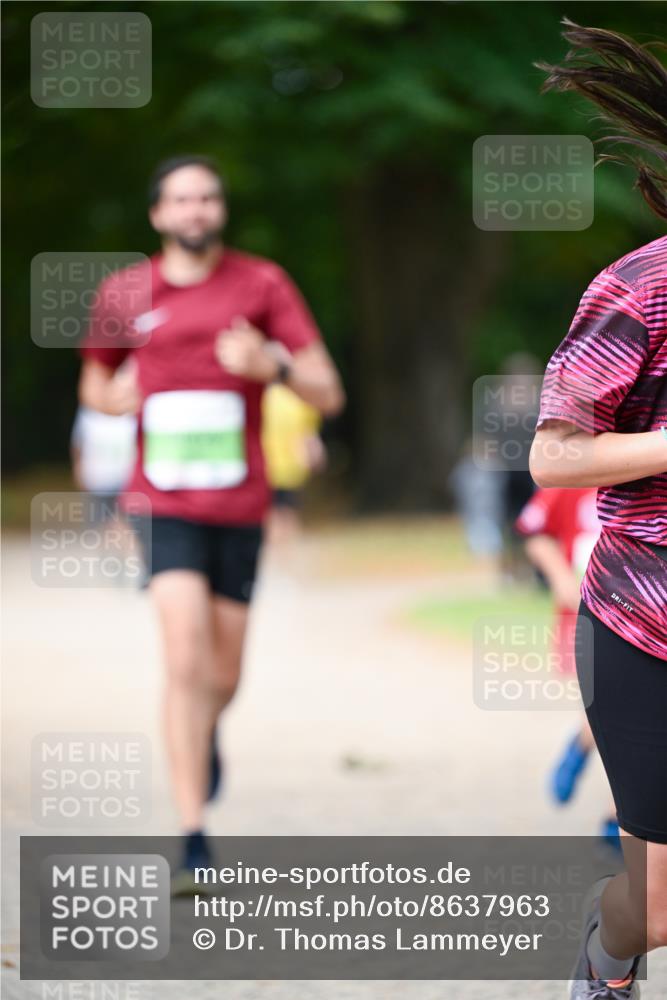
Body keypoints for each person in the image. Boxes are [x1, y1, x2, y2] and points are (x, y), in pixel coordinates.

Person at [77, 155, 345, 891]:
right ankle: (192, 831)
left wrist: (271, 366)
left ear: (218, 211)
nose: (195, 210)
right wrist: (114, 399)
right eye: (181, 200)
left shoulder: (262, 285)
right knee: (183, 653)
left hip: (240, 506)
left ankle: (202, 731)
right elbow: (94, 384)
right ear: (158, 215)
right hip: (161, 504)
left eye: (207, 198)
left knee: (222, 673)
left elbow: (328, 391)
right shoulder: (125, 293)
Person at [532, 19, 667, 999]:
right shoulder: (638, 288)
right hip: (643, 623)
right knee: (656, 908)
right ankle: (605, 945)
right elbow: (551, 456)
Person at [515, 487, 620, 851]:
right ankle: (617, 817)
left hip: (648, 614)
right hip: (585, 616)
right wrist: (560, 578)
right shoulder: (577, 471)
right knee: (615, 710)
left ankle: (616, 816)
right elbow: (534, 530)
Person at [261, 381, 326, 542]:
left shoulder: (263, 398)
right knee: (289, 511)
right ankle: (288, 551)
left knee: (271, 513)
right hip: (292, 467)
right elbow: (309, 435)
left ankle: (276, 552)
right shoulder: (300, 400)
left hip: (267, 466)